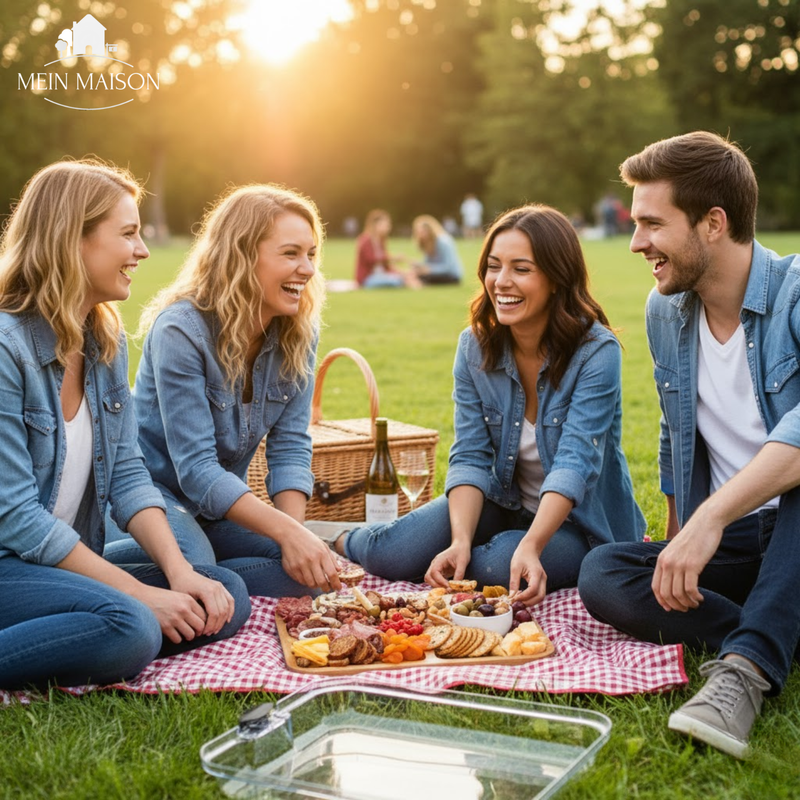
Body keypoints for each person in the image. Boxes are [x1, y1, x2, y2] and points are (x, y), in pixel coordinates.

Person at [578, 131, 800, 760]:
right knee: (605, 575)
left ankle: (746, 670)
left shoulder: (795, 293)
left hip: (790, 525)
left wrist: (711, 516)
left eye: (652, 223)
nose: (636, 242)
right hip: (738, 541)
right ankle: (771, 626)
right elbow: (677, 432)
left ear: (712, 223)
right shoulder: (664, 311)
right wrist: (682, 533)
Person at [0, 159, 250, 691]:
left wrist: (180, 576)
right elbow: (17, 516)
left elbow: (129, 477)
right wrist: (141, 595)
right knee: (131, 625)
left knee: (220, 589)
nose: (142, 251)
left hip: (58, 559)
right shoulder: (6, 348)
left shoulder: (103, 341)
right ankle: (104, 629)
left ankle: (84, 631)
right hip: (9, 563)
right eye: (129, 234)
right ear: (74, 241)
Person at [333, 205, 645, 602]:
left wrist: (531, 546)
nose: (501, 281)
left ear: (556, 277)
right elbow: (469, 453)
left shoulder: (596, 351)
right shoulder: (475, 346)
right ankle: (334, 536)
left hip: (579, 525)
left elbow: (574, 464)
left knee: (493, 568)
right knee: (392, 554)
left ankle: (509, 544)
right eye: (494, 266)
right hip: (503, 500)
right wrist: (459, 539)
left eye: (521, 268)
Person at [105, 184, 342, 598]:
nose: (307, 269)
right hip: (152, 502)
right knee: (208, 573)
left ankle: (214, 570)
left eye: (311, 254)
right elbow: (196, 470)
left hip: (216, 509)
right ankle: (93, 564)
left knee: (308, 576)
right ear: (242, 256)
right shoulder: (181, 329)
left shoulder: (300, 331)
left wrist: (295, 536)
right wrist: (285, 534)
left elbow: (290, 449)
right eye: (291, 253)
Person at [354, 209, 417, 288]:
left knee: (402, 277)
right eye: (385, 224)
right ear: (375, 225)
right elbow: (372, 259)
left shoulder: (381, 241)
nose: (388, 227)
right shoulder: (365, 240)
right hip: (367, 278)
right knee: (396, 281)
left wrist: (400, 273)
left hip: (381, 276)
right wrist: (393, 258)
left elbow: (386, 266)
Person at [410, 215, 463, 286]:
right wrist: (419, 266)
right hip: (437, 274)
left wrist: (429, 270)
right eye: (418, 232)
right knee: (415, 274)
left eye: (423, 232)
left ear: (430, 230)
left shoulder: (443, 242)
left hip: (452, 276)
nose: (420, 235)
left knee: (422, 277)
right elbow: (428, 263)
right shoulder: (427, 243)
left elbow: (448, 267)